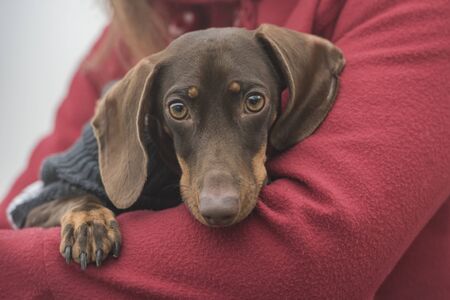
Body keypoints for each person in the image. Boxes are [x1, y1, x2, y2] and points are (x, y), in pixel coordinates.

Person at [1, 0, 449, 298]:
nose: (218, 201)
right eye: (178, 110)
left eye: (254, 101)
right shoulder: (124, 46)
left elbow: (309, 265)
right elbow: (19, 208)